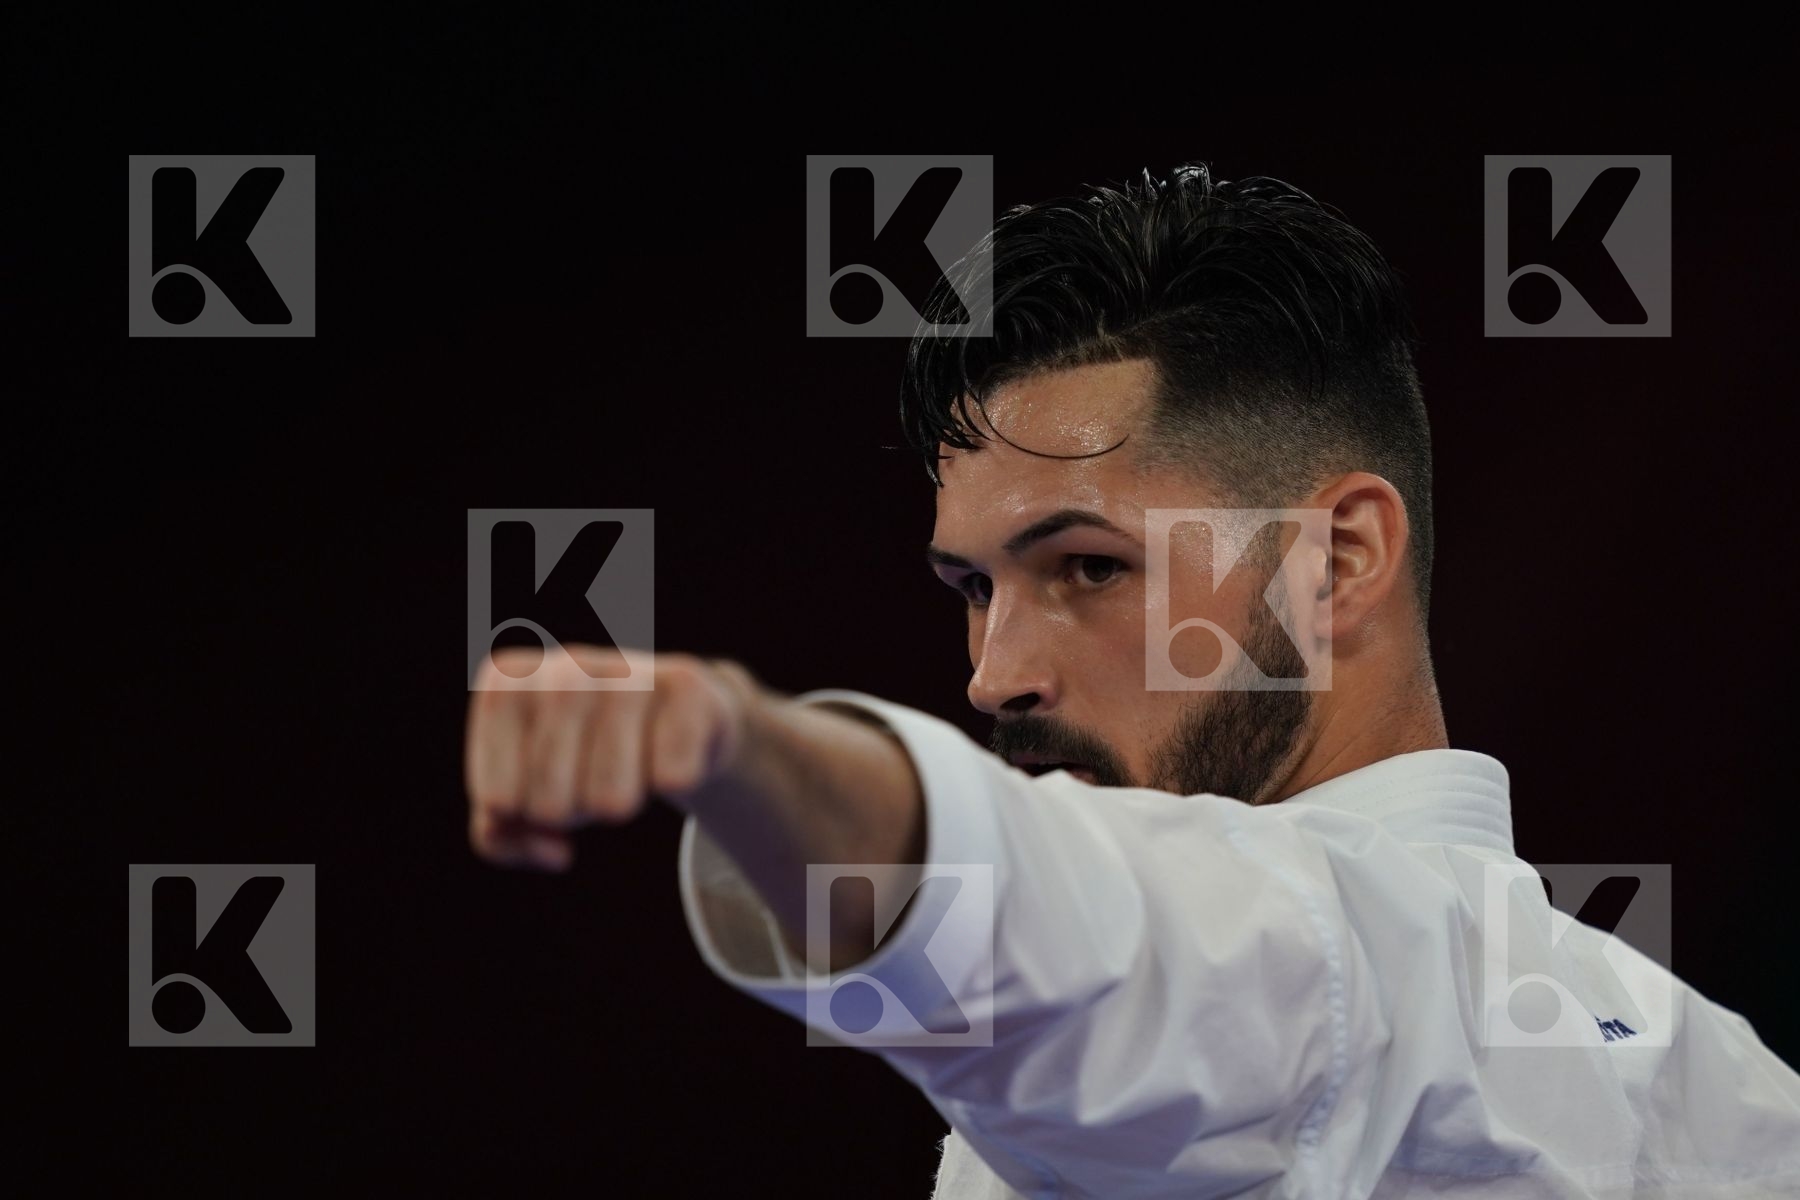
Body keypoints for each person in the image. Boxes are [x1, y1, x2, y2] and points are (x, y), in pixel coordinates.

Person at [463, 163, 1800, 1197]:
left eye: (1090, 568)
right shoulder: (1730, 1088)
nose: (993, 674)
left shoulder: (1336, 969)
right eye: (974, 587)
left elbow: (1069, 920)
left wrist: (738, 743)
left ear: (1337, 561)